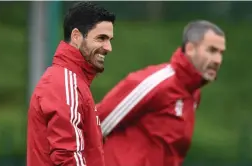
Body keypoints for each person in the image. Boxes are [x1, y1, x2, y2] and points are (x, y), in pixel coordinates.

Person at [97, 20, 226, 166]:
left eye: (221, 53)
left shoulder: (193, 96)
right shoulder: (159, 82)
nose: (218, 60)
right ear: (190, 49)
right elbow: (96, 123)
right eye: (212, 50)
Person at [27, 2, 115, 166]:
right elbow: (68, 157)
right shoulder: (65, 83)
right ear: (76, 36)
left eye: (109, 40)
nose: (108, 47)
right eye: (101, 38)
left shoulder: (73, 82)